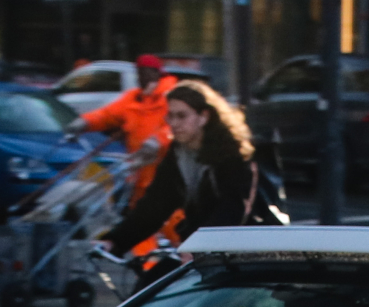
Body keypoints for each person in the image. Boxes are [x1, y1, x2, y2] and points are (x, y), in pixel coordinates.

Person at [102, 80, 267, 256]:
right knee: (154, 279)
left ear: (204, 117)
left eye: (181, 116)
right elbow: (155, 205)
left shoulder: (232, 154)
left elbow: (232, 210)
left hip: (243, 251)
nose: (174, 123)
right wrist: (114, 241)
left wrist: (199, 247)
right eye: (170, 116)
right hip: (198, 249)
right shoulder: (178, 153)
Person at [77, 54, 174, 190]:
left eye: (144, 73)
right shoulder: (133, 98)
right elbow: (107, 114)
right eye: (139, 74)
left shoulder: (173, 97)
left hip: (163, 174)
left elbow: (179, 127)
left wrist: (160, 140)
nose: (141, 79)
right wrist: (84, 122)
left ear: (156, 73)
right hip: (137, 172)